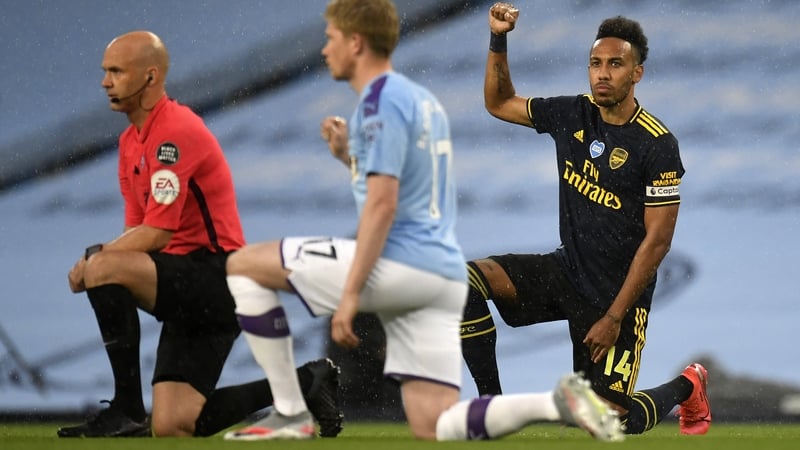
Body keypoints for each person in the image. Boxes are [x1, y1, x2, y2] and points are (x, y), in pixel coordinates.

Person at [221, 0, 623, 442]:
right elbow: (405, 187)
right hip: (438, 274)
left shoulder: (380, 102)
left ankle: (291, 408)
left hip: (397, 262)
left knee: (242, 266)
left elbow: (383, 206)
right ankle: (554, 402)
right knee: (434, 424)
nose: (324, 50)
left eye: (331, 38)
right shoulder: (417, 101)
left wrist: (351, 294)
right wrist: (349, 159)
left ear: (356, 43)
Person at [60, 30, 343, 438]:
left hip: (217, 276)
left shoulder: (173, 131)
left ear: (150, 77)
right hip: (187, 286)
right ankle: (306, 383)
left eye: (117, 72)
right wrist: (101, 260)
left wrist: (94, 262)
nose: (106, 82)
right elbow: (136, 233)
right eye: (105, 72)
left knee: (104, 267)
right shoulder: (129, 143)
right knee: (174, 425)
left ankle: (125, 408)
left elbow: (157, 233)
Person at [459, 2, 711, 436]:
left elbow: (657, 243)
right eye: (595, 63)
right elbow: (498, 102)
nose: (602, 73)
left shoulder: (657, 144)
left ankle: (688, 386)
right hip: (567, 273)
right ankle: (490, 410)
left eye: (616, 64)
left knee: (607, 423)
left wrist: (614, 317)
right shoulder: (572, 114)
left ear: (637, 73)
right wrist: (498, 38)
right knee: (463, 280)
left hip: (619, 298)